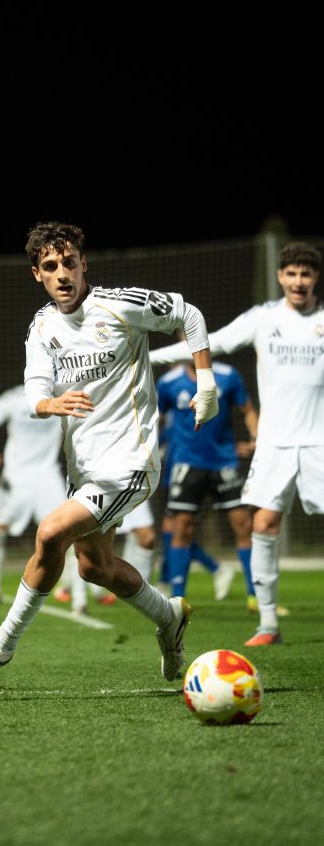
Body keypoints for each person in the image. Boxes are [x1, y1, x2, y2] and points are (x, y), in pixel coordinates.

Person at [0, 221, 219, 684]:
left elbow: (188, 315)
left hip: (130, 465)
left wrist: (207, 381)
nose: (62, 273)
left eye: (69, 262)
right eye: (50, 266)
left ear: (83, 263)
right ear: (37, 274)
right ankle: (169, 616)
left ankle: (1, 645)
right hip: (86, 470)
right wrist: (49, 404)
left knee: (50, 533)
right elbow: (35, 390)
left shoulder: (120, 305)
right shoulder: (42, 327)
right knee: (95, 567)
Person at [149, 240, 324, 647]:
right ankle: (268, 624)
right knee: (263, 524)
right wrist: (148, 357)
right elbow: (212, 342)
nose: (299, 281)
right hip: (276, 444)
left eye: (306, 274)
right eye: (292, 274)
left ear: (316, 278)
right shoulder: (264, 318)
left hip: (319, 441)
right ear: (281, 277)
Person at [156, 359, 258, 604]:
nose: (188, 344)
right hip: (186, 463)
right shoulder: (168, 382)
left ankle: (256, 597)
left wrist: (257, 439)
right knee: (181, 528)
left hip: (224, 462)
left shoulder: (228, 375)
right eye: (183, 341)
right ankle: (178, 600)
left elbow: (247, 409)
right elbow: (153, 418)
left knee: (244, 525)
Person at [0, 384, 80, 609]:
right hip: (15, 477)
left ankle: (67, 587)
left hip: (47, 476)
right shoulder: (12, 397)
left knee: (66, 531)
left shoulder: (62, 396)